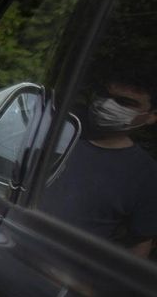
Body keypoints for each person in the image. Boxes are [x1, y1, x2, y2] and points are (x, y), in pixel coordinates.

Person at [38, 66, 157, 258]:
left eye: (125, 103)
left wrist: (87, 287)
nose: (107, 105)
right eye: (104, 95)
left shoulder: (147, 175)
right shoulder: (52, 132)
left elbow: (137, 247)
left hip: (61, 276)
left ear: (151, 116)